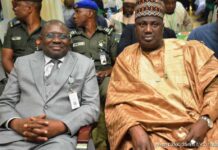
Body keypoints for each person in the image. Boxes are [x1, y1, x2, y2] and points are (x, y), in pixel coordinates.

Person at [105, 0, 218, 149]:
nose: (148, 30)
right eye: (142, 24)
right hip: (151, 134)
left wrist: (205, 120)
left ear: (163, 27)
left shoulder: (190, 50)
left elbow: (214, 87)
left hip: (196, 127)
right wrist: (134, 129)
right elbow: (116, 104)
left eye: (154, 24)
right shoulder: (126, 59)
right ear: (135, 28)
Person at [0, 20, 100, 150]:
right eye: (50, 35)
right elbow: (5, 102)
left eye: (63, 36)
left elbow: (92, 106)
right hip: (16, 136)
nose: (57, 40)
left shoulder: (85, 65)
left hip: (60, 139)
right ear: (39, 41)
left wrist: (62, 125)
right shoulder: (22, 63)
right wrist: (17, 123)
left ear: (70, 41)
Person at [71, 0, 117, 149]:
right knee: (89, 99)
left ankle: (110, 137)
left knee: (108, 89)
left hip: (103, 78)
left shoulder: (107, 35)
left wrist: (108, 71)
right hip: (81, 81)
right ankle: (100, 143)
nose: (74, 16)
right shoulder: (72, 37)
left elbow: (119, 63)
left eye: (78, 12)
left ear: (90, 13)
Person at [2, 0, 45, 74]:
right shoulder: (12, 30)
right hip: (18, 77)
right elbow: (6, 59)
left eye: (18, 5)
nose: (14, 9)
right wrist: (19, 77)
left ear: (29, 8)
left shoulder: (49, 29)